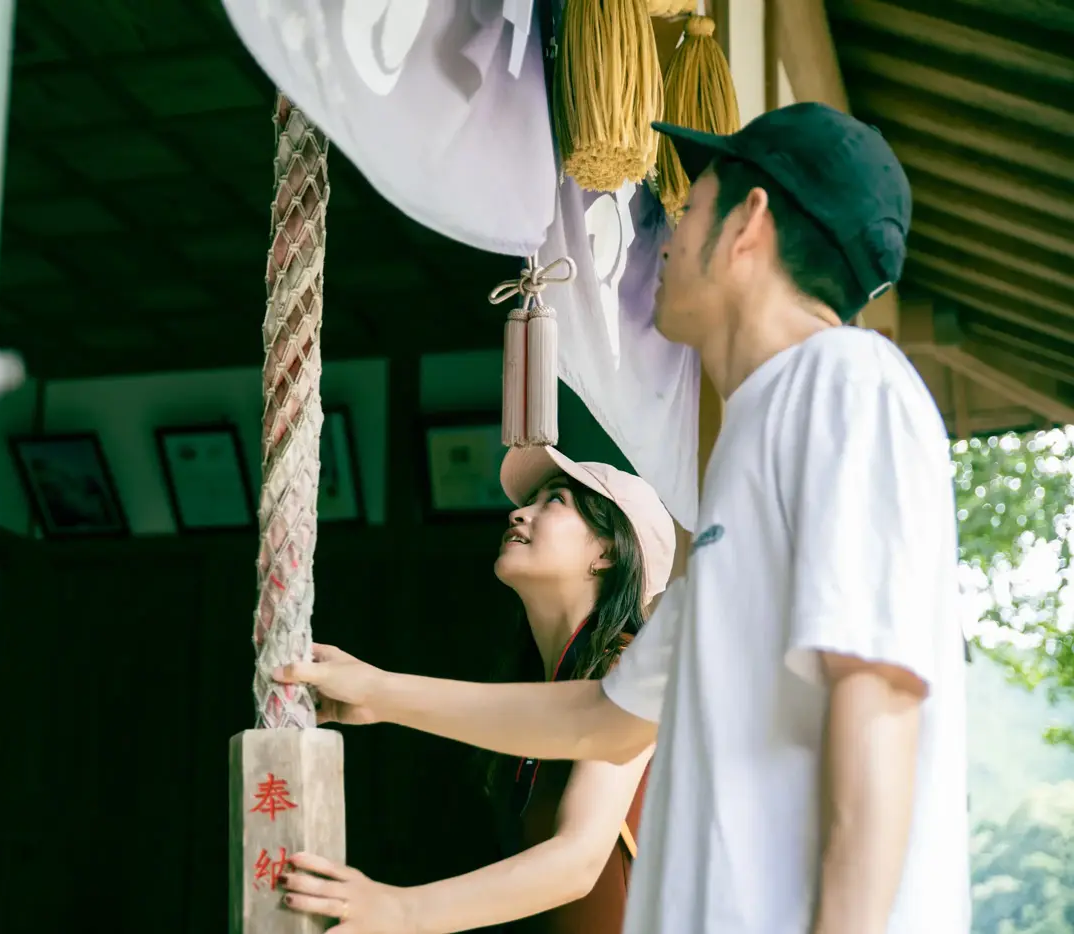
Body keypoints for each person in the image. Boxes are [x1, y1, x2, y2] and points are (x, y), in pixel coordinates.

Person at [276, 102, 969, 934]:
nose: (668, 237)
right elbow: (605, 720)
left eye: (692, 206)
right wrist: (382, 693)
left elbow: (878, 699)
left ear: (749, 224)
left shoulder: (846, 383)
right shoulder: (754, 447)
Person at [280, 447, 676, 934]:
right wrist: (375, 698)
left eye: (554, 501)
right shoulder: (544, 690)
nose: (519, 511)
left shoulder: (627, 667)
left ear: (608, 551)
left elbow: (577, 863)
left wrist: (395, 911)